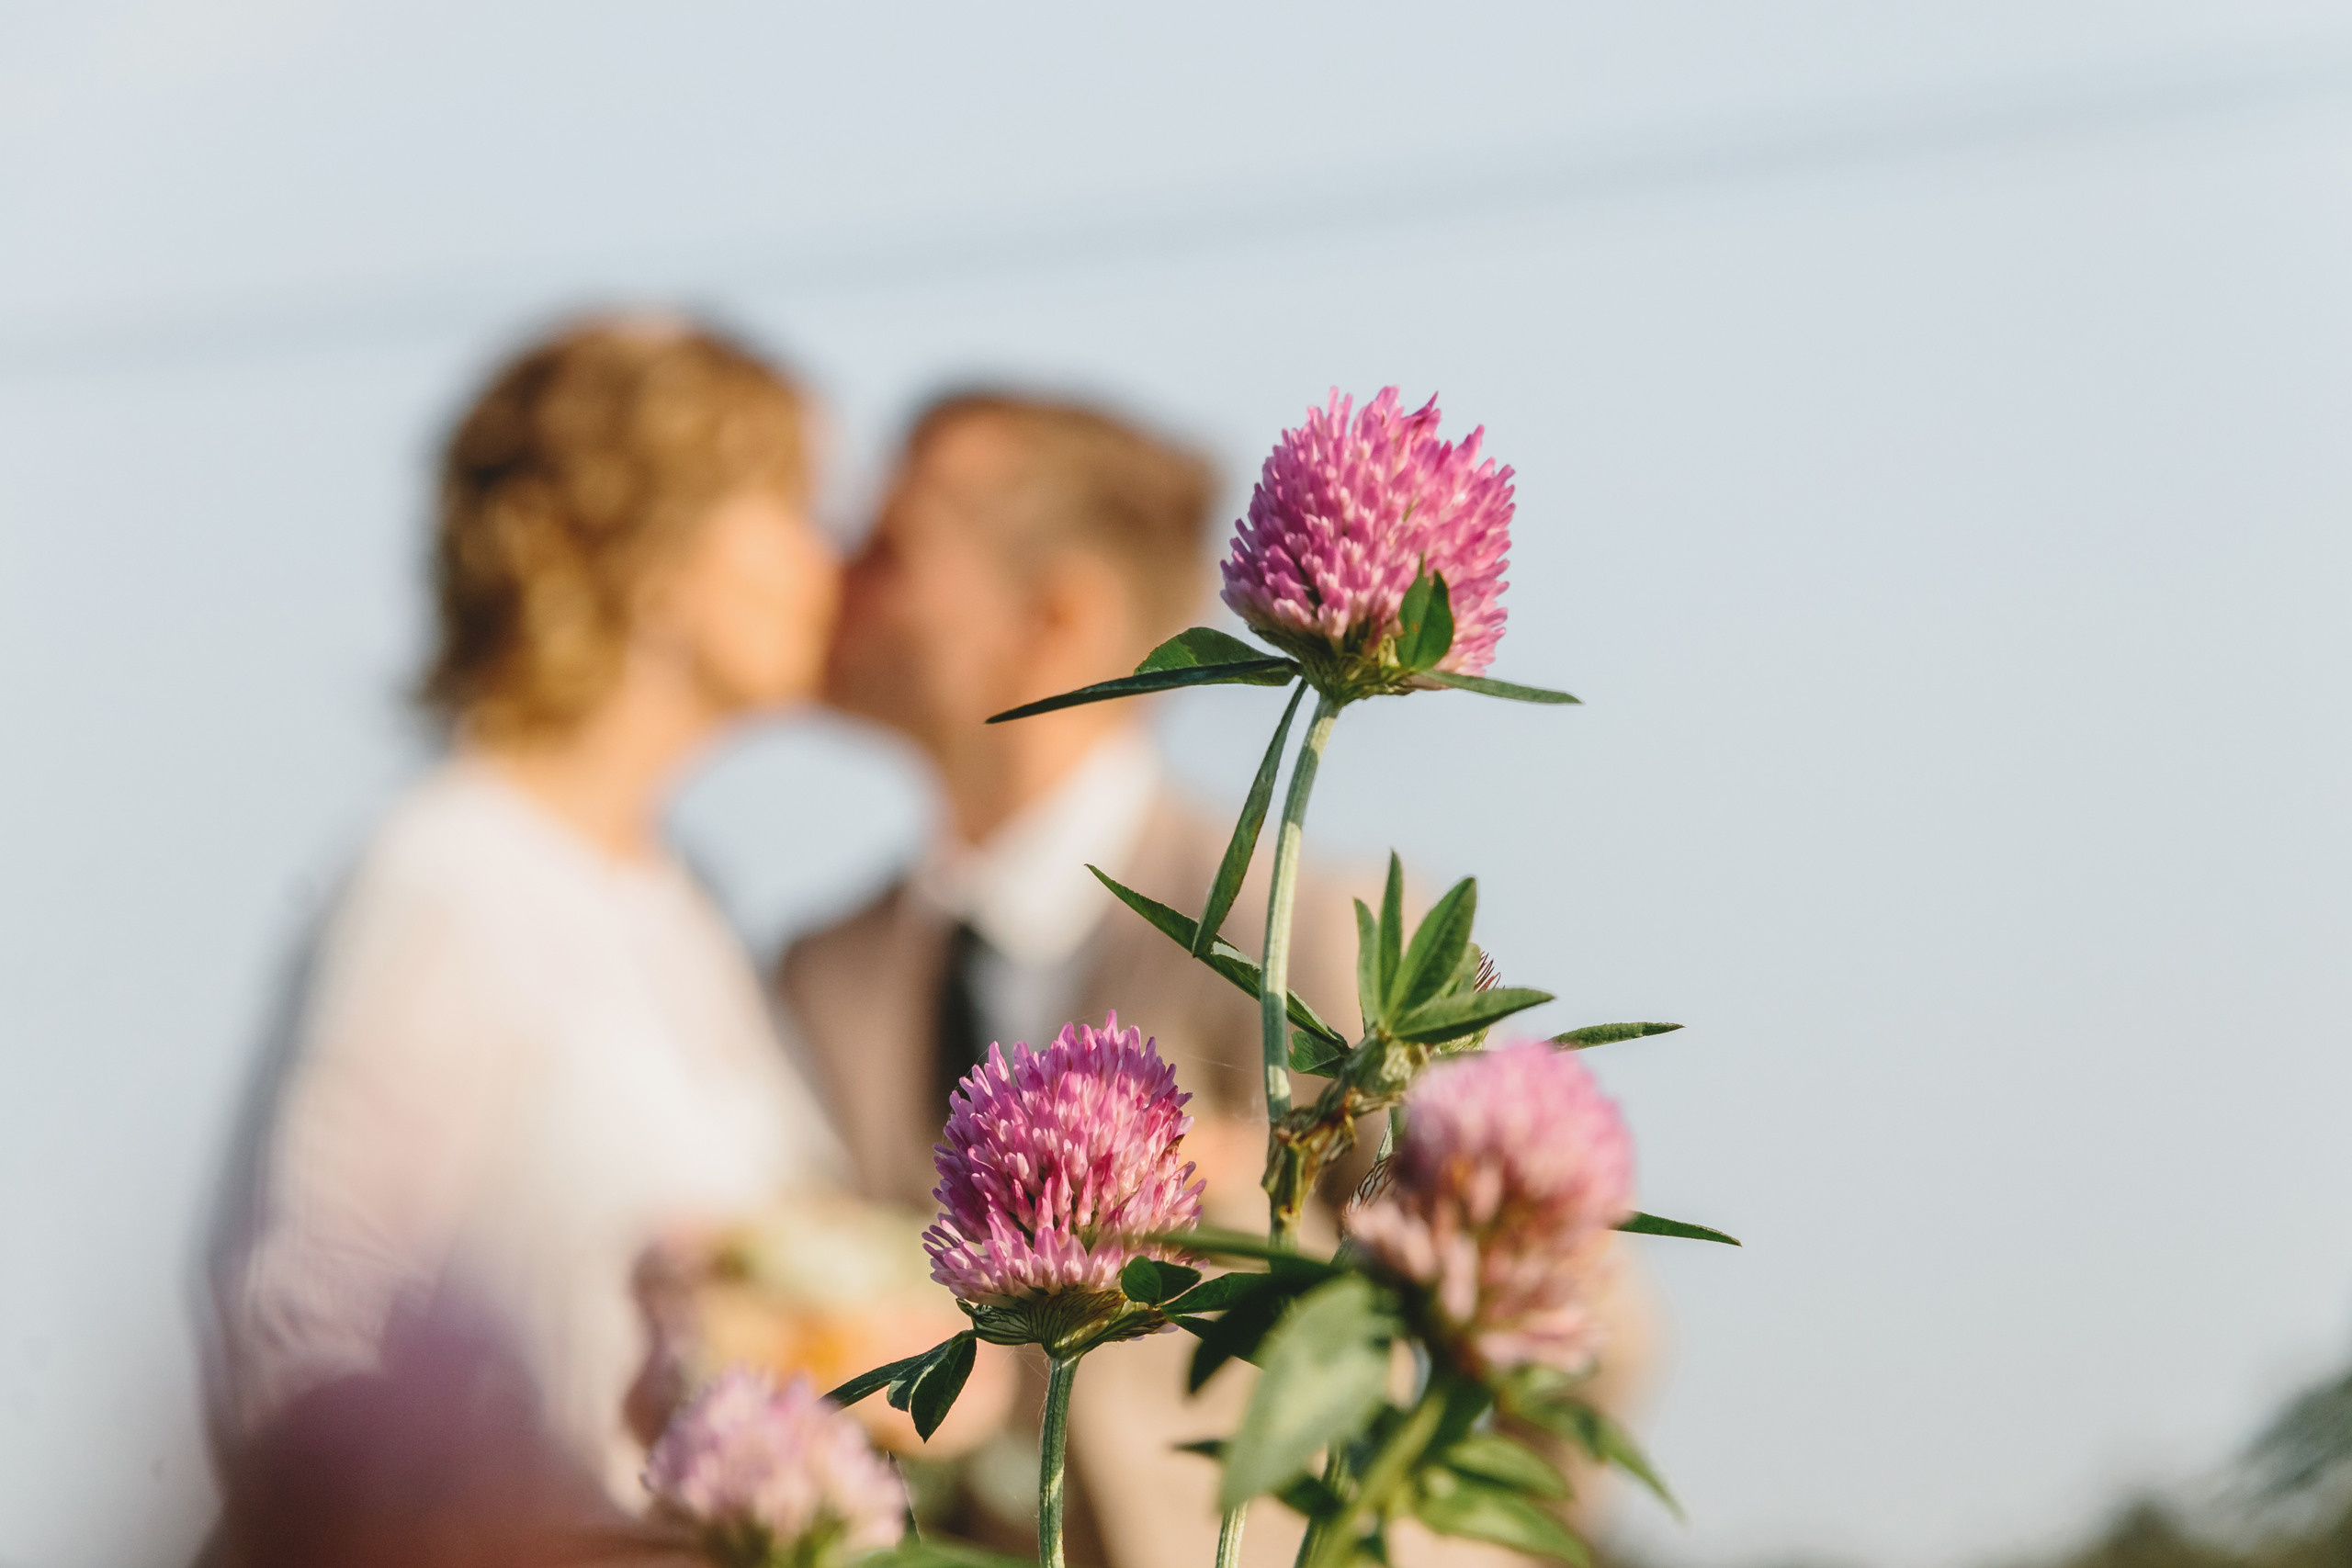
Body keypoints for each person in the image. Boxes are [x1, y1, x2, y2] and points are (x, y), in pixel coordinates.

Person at [203, 315, 843, 1564]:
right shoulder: (446, 870)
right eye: (787, 510)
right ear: (647, 548)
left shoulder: (684, 901)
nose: (829, 564)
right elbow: (300, 1320)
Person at [779, 390, 1374, 1568]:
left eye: (890, 547)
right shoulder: (816, 974)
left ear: (1052, 616)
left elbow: (1565, 1331)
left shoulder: (1298, 923)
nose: (832, 576)